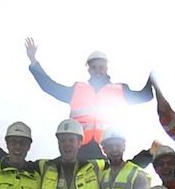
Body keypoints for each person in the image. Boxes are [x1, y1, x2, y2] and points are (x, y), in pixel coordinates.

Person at [23, 38, 154, 151]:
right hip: (79, 148)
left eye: (101, 67)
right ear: (89, 70)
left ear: (106, 68)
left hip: (108, 147)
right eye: (94, 67)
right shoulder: (78, 89)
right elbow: (50, 86)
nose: (98, 70)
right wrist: (33, 61)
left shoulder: (119, 90)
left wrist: (154, 74)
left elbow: (145, 95)